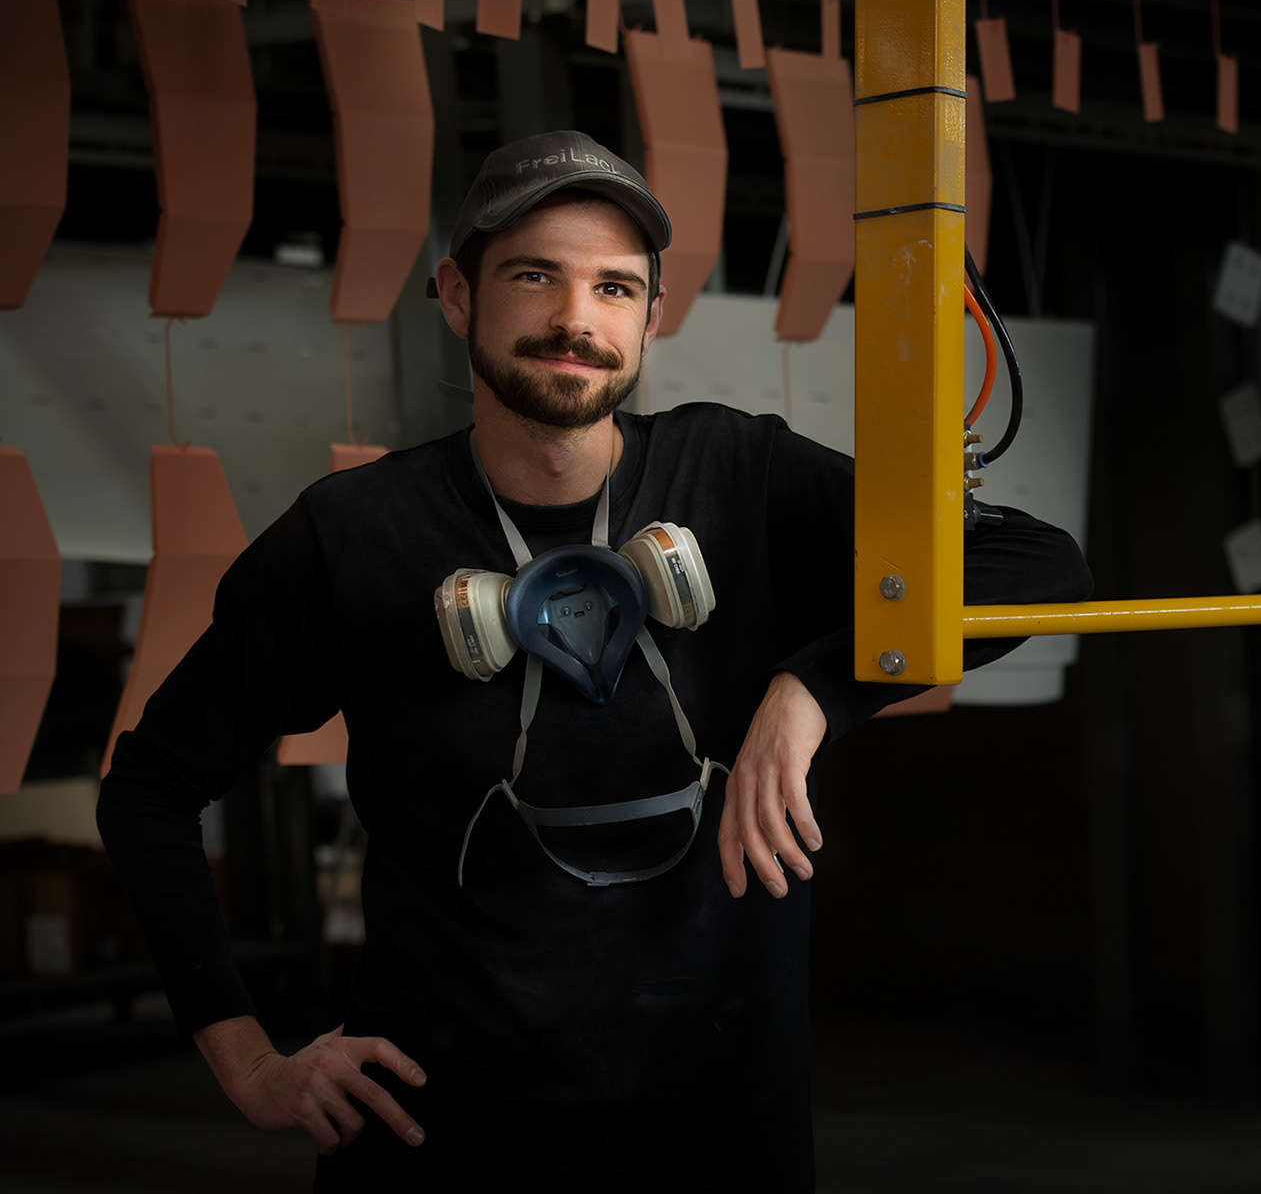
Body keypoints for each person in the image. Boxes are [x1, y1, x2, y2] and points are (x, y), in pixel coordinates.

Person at [96, 130, 1091, 1187]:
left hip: (721, 1143)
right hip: (437, 1141)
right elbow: (151, 788)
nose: (577, 319)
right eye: (535, 276)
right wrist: (251, 1065)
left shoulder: (740, 476)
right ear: (456, 295)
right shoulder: (352, 535)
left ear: (650, 318)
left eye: (615, 287)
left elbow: (1041, 566)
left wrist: (813, 689)